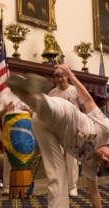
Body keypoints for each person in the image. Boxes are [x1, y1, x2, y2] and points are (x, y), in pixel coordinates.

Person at [7, 64, 109, 208]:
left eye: (106, 163)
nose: (104, 158)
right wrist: (71, 75)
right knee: (51, 110)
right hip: (66, 113)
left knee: (56, 170)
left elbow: (94, 193)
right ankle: (29, 93)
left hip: (46, 129)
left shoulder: (91, 164)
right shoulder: (105, 129)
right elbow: (87, 101)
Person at [48, 67, 82, 197]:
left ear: (67, 76)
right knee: (57, 159)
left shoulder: (75, 91)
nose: (60, 78)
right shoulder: (52, 93)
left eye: (62, 75)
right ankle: (60, 185)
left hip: (73, 128)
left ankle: (72, 187)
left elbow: (83, 108)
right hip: (57, 130)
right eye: (57, 76)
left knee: (71, 159)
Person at [0, 87, 32, 195]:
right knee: (8, 158)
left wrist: (29, 111)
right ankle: (7, 187)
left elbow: (32, 113)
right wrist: (6, 109)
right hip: (10, 131)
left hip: (24, 132)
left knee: (24, 157)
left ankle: (24, 184)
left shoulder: (25, 96)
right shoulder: (4, 96)